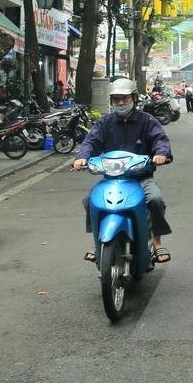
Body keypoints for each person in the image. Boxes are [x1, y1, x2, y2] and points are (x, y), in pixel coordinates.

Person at [73, 77, 172, 264]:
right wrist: (81, 157)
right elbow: (91, 141)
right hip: (111, 179)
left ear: (134, 98)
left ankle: (157, 242)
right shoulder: (105, 122)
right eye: (116, 99)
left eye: (124, 98)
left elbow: (160, 139)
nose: (120, 102)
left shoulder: (147, 121)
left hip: (140, 178)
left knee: (156, 200)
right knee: (89, 200)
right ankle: (98, 241)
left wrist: (161, 154)